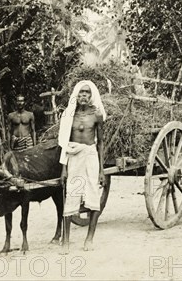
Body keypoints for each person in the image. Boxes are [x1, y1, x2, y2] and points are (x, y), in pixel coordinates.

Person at [59, 80, 107, 253]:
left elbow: (100, 142)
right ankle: (65, 241)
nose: (83, 96)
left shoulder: (97, 115)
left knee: (93, 197)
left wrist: (101, 170)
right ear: (76, 96)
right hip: (74, 157)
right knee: (71, 195)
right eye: (80, 93)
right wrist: (63, 167)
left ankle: (89, 238)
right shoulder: (69, 115)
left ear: (91, 95)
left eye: (86, 93)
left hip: (91, 156)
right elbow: (64, 142)